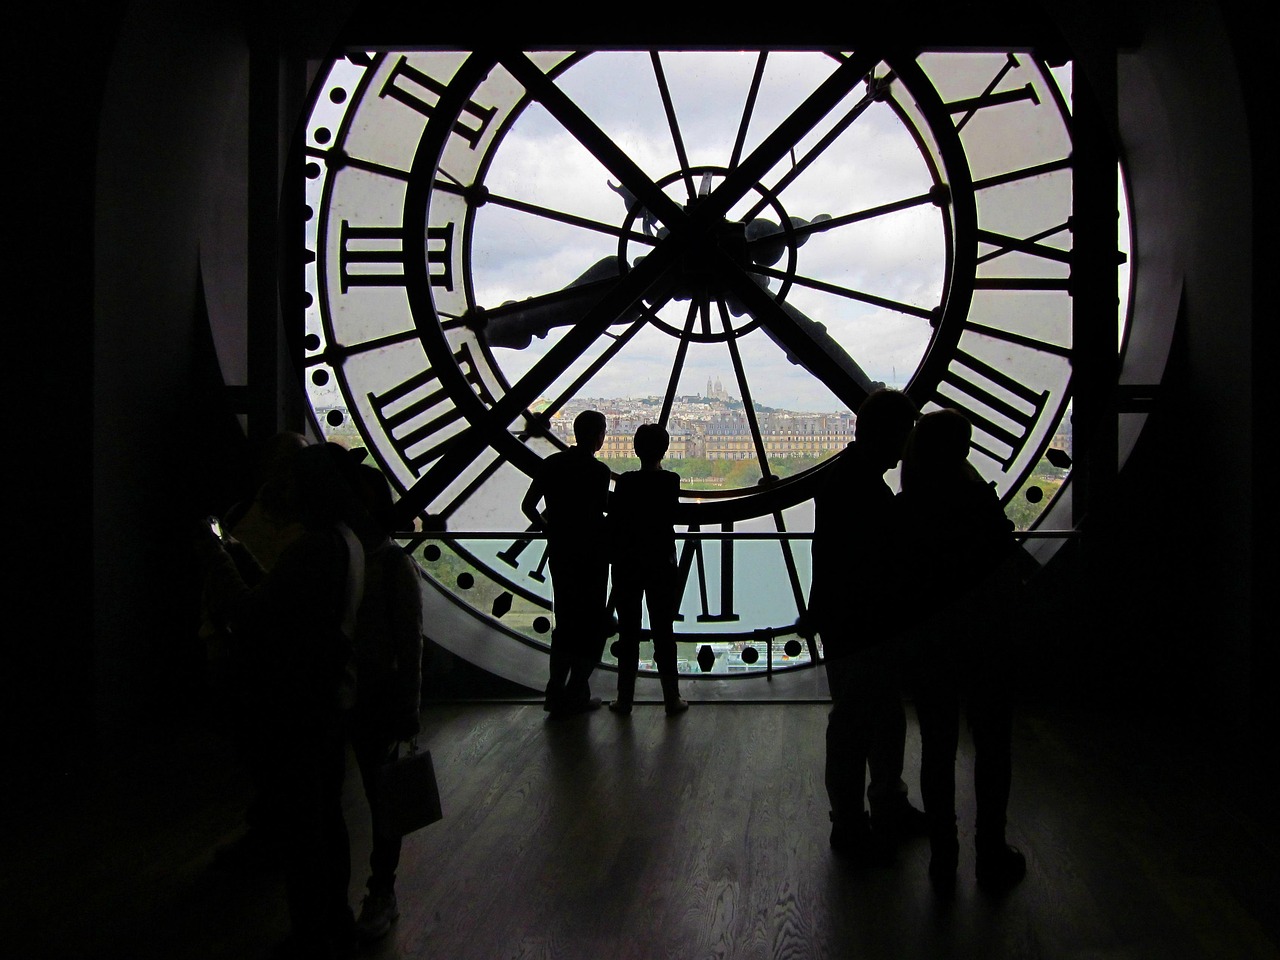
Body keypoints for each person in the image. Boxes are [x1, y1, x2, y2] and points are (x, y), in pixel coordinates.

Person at [199, 442, 366, 959]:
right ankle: (330, 924)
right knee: (322, 821)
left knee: (304, 825)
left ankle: (314, 930)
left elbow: (253, 613)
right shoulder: (344, 544)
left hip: (296, 701)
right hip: (324, 697)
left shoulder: (314, 549)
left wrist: (218, 557)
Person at [898, 408, 1027, 893]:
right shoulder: (975, 502)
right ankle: (989, 850)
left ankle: (944, 853)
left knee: (936, 750)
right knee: (992, 749)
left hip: (931, 645)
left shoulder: (909, 506)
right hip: (985, 643)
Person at [806, 388, 926, 864]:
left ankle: (852, 820)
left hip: (848, 622)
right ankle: (874, 811)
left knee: (855, 722)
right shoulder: (866, 488)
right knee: (873, 720)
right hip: (867, 623)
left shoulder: (843, 482)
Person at [348, 463, 424, 942]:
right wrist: (408, 705)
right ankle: (380, 889)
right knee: (384, 802)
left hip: (348, 691)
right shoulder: (394, 565)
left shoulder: (342, 559)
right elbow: (409, 643)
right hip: (379, 693)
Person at [521, 410, 611, 718]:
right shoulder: (598, 472)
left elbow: (528, 505)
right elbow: (602, 512)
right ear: (598, 436)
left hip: (561, 550)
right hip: (592, 554)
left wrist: (549, 526)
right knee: (591, 625)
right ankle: (576, 690)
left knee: (566, 623)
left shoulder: (552, 465)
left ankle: (556, 689)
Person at [607, 423, 687, 716]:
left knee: (628, 632)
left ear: (636, 449)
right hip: (660, 561)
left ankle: (625, 698)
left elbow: (615, 520)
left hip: (629, 563)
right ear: (664, 450)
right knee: (664, 631)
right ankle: (671, 697)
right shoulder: (670, 481)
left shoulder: (626, 482)